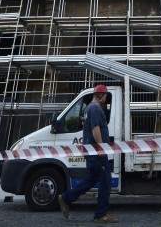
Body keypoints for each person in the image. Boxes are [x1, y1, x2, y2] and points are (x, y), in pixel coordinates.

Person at [58, 84, 117, 223]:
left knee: (92, 179)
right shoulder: (95, 108)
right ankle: (101, 215)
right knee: (105, 182)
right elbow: (96, 129)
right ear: (101, 95)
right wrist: (102, 149)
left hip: (92, 152)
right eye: (106, 96)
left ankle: (66, 198)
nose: (106, 99)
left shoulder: (89, 108)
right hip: (96, 152)